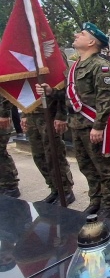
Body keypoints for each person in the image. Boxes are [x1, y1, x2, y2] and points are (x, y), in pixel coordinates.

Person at [57, 22, 110, 219]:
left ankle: (109, 204)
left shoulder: (100, 66)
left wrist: (99, 126)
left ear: (92, 42)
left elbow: (105, 98)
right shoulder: (74, 66)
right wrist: (49, 91)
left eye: (82, 33)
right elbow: (68, 95)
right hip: (77, 124)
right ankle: (96, 199)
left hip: (94, 124)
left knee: (105, 167)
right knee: (86, 166)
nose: (76, 35)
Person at [26, 69, 76, 205]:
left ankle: (65, 190)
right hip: (32, 114)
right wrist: (25, 113)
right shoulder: (26, 58)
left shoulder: (50, 56)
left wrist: (61, 116)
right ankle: (54, 189)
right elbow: (26, 86)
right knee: (39, 156)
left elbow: (64, 87)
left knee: (54, 155)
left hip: (50, 114)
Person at [0, 95, 19, 198]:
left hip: (1, 118)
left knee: (1, 153)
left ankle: (11, 186)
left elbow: (5, 94)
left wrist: (4, 114)